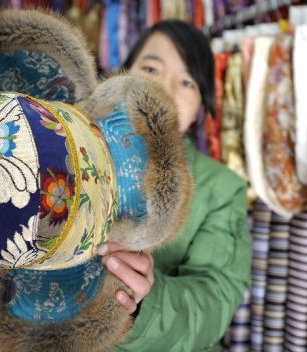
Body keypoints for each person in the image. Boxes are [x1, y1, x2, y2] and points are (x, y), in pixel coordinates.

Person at [97, 20, 252, 351]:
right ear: (122, 78)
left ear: (200, 109)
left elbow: (213, 301)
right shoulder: (74, 155)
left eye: (186, 81)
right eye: (151, 68)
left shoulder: (222, 190)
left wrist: (142, 305)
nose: (163, 88)